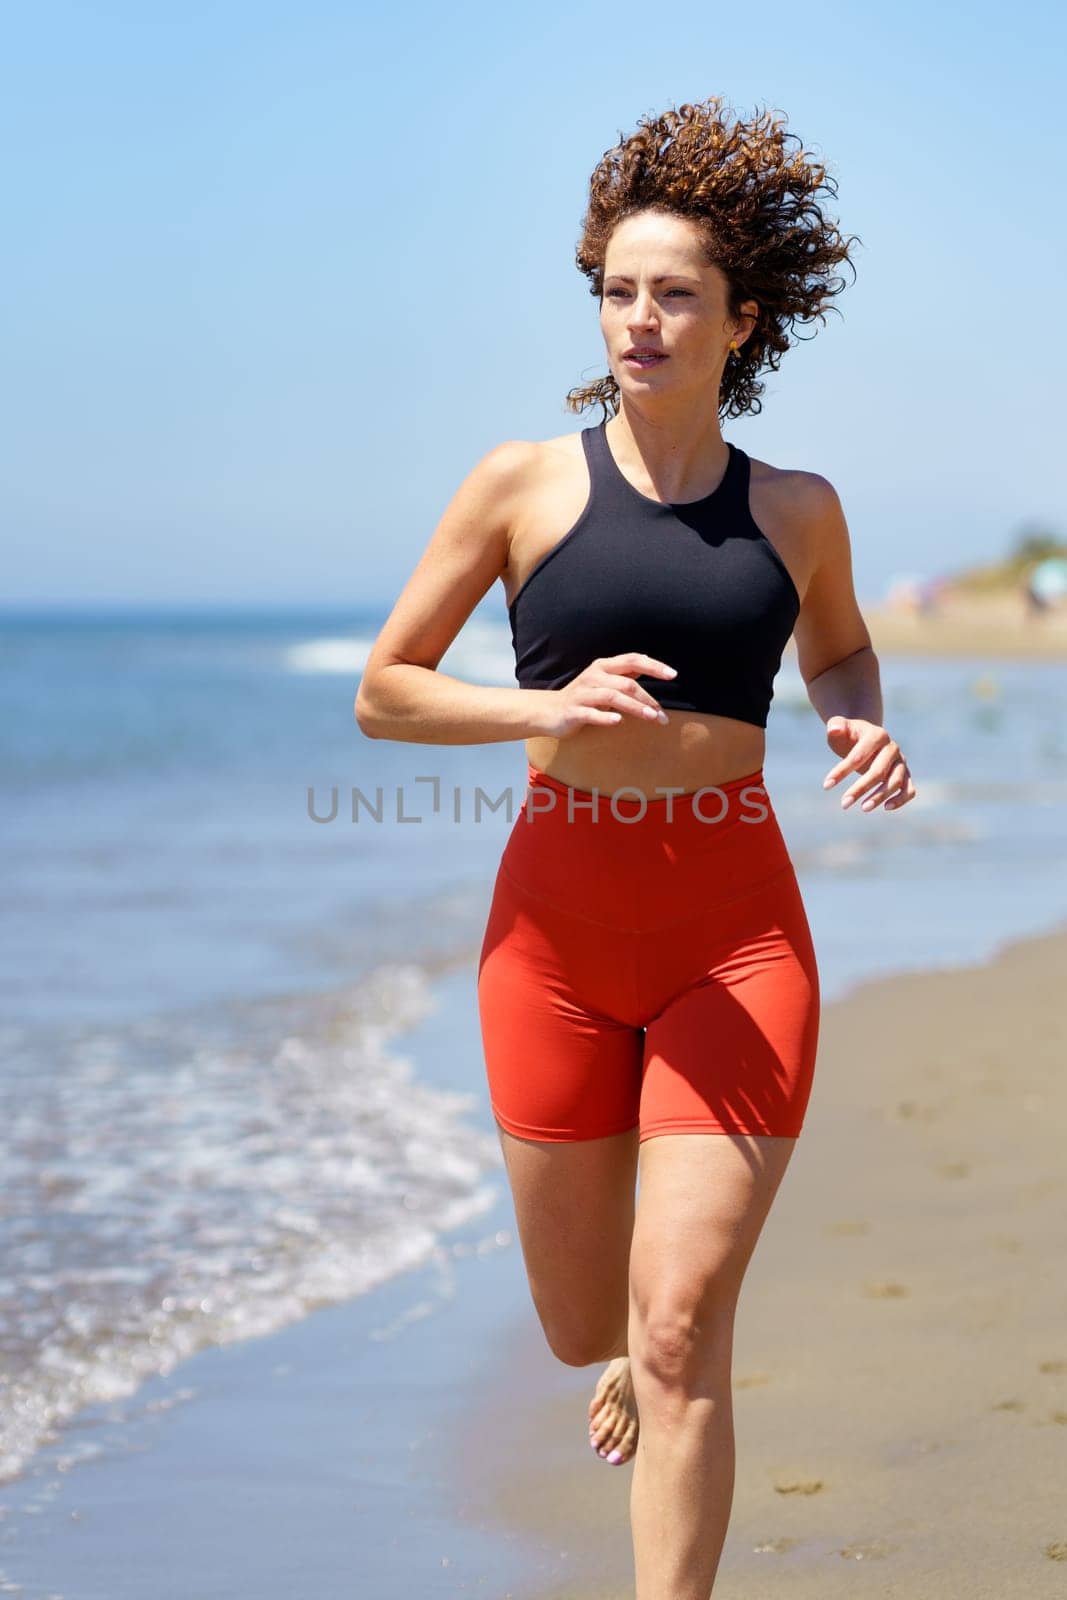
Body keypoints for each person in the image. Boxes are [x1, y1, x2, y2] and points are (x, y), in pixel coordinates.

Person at [355, 95, 916, 1600]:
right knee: (580, 1323)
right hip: (552, 935)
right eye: (619, 290)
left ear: (744, 321)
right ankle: (622, 1353)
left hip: (737, 933)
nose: (641, 320)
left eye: (677, 296)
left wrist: (858, 721)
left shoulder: (796, 511)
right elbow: (384, 694)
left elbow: (843, 655)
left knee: (678, 1327)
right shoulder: (523, 487)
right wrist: (545, 701)